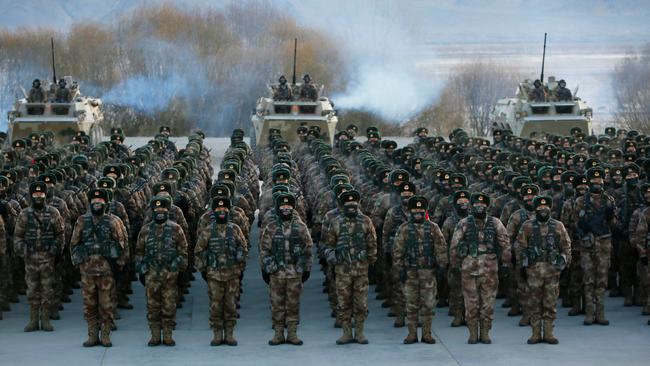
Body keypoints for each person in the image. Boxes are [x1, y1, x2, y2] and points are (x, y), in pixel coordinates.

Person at [69, 188, 128, 347]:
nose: (97, 203)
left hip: (106, 272)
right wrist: (79, 263)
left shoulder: (113, 221)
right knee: (89, 305)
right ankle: (92, 335)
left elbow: (122, 244)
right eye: (94, 201)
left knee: (106, 305)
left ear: (106, 203)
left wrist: (119, 267)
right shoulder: (82, 221)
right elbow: (74, 244)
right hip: (87, 272)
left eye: (100, 201)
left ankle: (106, 335)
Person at [450, 193, 510, 344]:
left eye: (482, 205)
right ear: (472, 206)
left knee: (488, 303)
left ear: (487, 206)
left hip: (490, 269)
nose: (479, 207)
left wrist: (505, 264)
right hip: (468, 269)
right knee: (471, 303)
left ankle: (485, 332)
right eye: (476, 205)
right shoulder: (464, 223)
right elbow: (454, 246)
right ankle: (472, 332)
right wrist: (455, 266)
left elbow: (505, 244)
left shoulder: (495, 223)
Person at [323, 190, 377, 345]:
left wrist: (371, 262)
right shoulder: (336, 222)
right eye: (348, 204)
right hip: (342, 271)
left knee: (361, 303)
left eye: (354, 204)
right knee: (344, 303)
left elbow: (372, 244)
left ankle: (360, 333)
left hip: (361, 271)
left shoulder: (366, 221)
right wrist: (334, 259)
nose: (351, 207)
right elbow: (328, 245)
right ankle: (346, 333)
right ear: (343, 205)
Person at [392, 196, 448, 344]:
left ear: (425, 210)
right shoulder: (404, 228)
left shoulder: (433, 228)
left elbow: (441, 248)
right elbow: (398, 250)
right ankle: (412, 334)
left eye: (420, 210)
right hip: (410, 273)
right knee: (411, 304)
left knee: (429, 305)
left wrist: (442, 266)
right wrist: (399, 269)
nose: (418, 212)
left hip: (428, 273)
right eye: (415, 210)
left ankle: (427, 334)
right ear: (410, 211)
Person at [516, 196, 571, 344]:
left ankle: (548, 333)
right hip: (533, 271)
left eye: (545, 207)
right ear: (535, 210)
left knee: (550, 303)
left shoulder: (558, 226)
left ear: (550, 208)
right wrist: (522, 266)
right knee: (534, 303)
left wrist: (566, 264)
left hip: (552, 271)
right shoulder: (527, 226)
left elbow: (566, 246)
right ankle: (535, 333)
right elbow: (520, 247)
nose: (543, 210)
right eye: (539, 208)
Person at [260, 192, 313, 346]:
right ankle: (278, 334)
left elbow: (308, 249)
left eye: (288, 206)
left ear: (292, 208)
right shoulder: (271, 227)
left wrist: (304, 269)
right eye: (282, 206)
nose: (285, 208)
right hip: (276, 274)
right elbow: (264, 250)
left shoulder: (301, 227)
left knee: (293, 304)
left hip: (294, 274)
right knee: (277, 305)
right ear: (278, 208)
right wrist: (270, 269)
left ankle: (292, 333)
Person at [135, 196, 188, 346]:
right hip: (151, 276)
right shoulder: (145, 230)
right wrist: (143, 269)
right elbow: (139, 252)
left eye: (163, 209)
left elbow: (183, 251)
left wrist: (175, 268)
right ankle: (155, 335)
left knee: (169, 306)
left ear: (168, 211)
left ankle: (168, 335)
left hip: (169, 276)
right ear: (153, 211)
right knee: (152, 307)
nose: (160, 211)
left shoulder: (176, 229)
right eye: (157, 209)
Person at [194, 197, 247, 346]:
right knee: (215, 306)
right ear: (214, 211)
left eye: (224, 209)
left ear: (228, 210)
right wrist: (204, 270)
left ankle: (229, 334)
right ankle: (217, 334)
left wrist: (239, 265)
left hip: (232, 275)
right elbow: (198, 251)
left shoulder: (235, 229)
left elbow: (243, 248)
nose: (221, 211)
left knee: (231, 305)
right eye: (218, 209)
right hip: (214, 275)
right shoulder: (208, 231)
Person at [13, 181, 65, 332]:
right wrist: (24, 251)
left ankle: (46, 320)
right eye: (35, 194)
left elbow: (60, 234)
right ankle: (34, 320)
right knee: (32, 289)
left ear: (45, 194)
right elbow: (18, 236)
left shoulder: (54, 213)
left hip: (47, 258)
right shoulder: (24, 214)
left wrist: (55, 250)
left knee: (47, 289)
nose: (38, 196)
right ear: (31, 195)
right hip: (30, 259)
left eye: (41, 194)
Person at [572, 167, 616, 326]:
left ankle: (601, 313)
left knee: (602, 280)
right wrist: (582, 226)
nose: (597, 182)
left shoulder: (609, 200)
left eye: (599, 180)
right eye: (594, 180)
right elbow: (574, 222)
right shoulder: (581, 201)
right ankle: (590, 314)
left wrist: (611, 216)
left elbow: (614, 224)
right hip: (587, 245)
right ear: (589, 181)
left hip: (603, 244)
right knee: (589, 279)